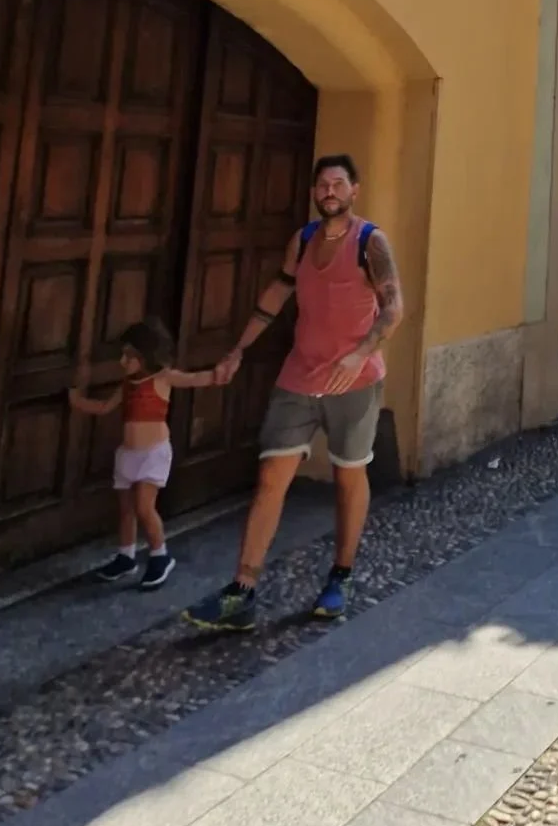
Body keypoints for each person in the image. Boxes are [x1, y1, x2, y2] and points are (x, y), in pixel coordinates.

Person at [183, 155, 403, 632]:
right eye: (322, 184)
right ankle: (242, 590)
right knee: (271, 476)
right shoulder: (302, 241)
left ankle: (339, 578)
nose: (330, 191)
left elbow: (393, 309)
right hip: (299, 376)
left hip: (355, 382)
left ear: (354, 190)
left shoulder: (371, 242)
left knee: (348, 476)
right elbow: (277, 294)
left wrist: (360, 353)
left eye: (338, 184)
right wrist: (238, 349)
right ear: (315, 192)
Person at [69, 323, 229, 590]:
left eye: (128, 356)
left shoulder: (163, 378)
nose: (122, 361)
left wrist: (217, 374)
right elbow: (105, 406)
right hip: (127, 454)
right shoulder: (127, 384)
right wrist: (77, 400)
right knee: (126, 510)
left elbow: (193, 379)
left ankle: (160, 555)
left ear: (145, 356)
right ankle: (126, 555)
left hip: (153, 453)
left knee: (145, 507)